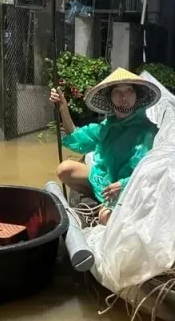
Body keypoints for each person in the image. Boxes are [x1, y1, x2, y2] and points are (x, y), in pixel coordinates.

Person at [51, 68, 160, 225]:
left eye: (129, 90)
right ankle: (99, 200)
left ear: (137, 96)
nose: (123, 97)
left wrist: (123, 185)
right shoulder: (108, 125)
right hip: (105, 180)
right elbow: (78, 139)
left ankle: (108, 209)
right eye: (117, 92)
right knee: (64, 169)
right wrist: (63, 108)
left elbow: (150, 171)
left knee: (105, 218)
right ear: (110, 98)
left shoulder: (148, 131)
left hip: (132, 187)